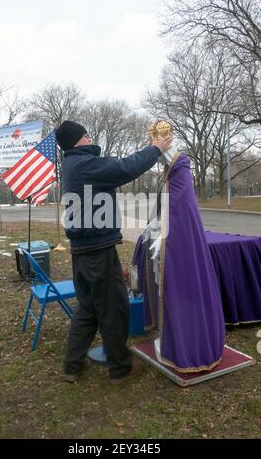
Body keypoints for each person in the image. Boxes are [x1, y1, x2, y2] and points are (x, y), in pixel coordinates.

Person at [55, 120, 172, 382]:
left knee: (88, 309)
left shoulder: (73, 164)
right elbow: (124, 168)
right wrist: (155, 149)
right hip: (97, 251)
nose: (89, 139)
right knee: (113, 309)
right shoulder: (84, 163)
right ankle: (120, 367)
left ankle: (71, 367)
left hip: (83, 251)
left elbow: (118, 167)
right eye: (86, 136)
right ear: (77, 141)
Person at [133, 146, 225, 372]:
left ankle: (187, 345)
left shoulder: (180, 172)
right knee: (169, 290)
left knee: (181, 290)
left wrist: (163, 235)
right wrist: (154, 228)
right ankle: (172, 338)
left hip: (177, 248)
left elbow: (178, 212)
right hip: (164, 243)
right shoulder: (167, 175)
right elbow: (162, 210)